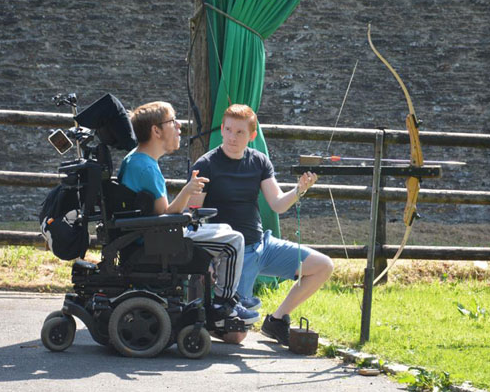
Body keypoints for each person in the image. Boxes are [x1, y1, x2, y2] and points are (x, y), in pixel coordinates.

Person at [189, 104, 334, 345]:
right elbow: (194, 216)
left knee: (323, 266)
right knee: (236, 336)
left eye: (240, 132)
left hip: (262, 245)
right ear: (222, 130)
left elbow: (277, 204)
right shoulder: (206, 164)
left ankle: (277, 320)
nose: (232, 137)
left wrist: (300, 189)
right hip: (231, 255)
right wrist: (206, 261)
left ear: (252, 136)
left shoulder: (259, 161)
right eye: (228, 130)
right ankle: (207, 320)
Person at [118, 101, 259, 327]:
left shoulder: (137, 159)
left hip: (149, 233)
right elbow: (164, 214)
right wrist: (187, 192)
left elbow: (159, 214)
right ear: (156, 130)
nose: (179, 126)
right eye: (172, 121)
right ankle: (223, 303)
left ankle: (226, 297)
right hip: (155, 240)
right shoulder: (146, 167)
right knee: (234, 241)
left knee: (226, 230)